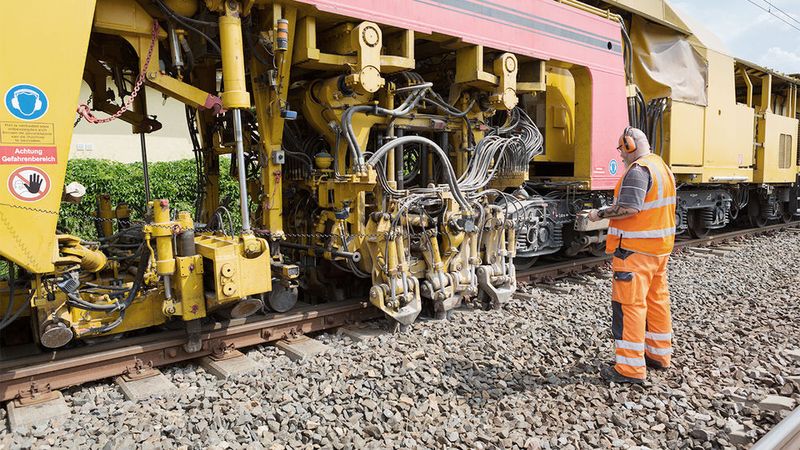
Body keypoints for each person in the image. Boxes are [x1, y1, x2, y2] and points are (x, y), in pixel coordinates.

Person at [586, 127, 676, 384]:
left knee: (629, 306)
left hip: (635, 251)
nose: (620, 155)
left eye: (621, 149)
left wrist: (599, 214)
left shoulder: (638, 170)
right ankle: (659, 355)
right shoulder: (661, 166)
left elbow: (629, 208)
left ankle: (629, 369)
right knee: (657, 301)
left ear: (629, 145)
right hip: (658, 249)